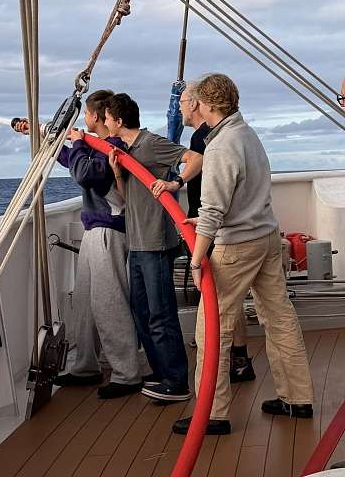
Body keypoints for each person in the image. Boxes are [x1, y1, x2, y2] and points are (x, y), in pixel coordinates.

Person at [173, 74, 314, 437]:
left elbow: (214, 211)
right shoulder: (247, 134)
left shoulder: (220, 146)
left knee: (211, 332)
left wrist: (195, 262)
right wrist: (206, 221)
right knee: (279, 317)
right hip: (266, 237)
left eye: (193, 103)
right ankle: (297, 398)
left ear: (205, 105)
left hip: (236, 247)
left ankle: (213, 414)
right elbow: (236, 198)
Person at [13, 90, 142, 399]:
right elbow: (73, 159)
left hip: (109, 231)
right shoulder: (96, 148)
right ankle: (86, 366)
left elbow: (85, 174)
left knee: (109, 303)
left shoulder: (113, 147)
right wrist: (46, 138)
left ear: (95, 117)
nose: (84, 119)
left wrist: (80, 141)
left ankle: (127, 372)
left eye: (86, 114)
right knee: (84, 301)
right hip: (94, 230)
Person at [105, 93, 203, 402]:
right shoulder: (129, 151)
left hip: (155, 243)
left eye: (107, 118)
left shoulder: (150, 144)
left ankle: (177, 381)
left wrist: (176, 183)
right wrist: (119, 173)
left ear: (119, 122)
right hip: (137, 243)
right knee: (142, 312)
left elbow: (195, 159)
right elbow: (127, 196)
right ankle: (162, 371)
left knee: (161, 314)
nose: (105, 122)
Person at [179, 84, 255, 384]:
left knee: (215, 314)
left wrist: (197, 257)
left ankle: (215, 404)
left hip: (216, 232)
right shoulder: (242, 133)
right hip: (235, 230)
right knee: (238, 305)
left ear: (198, 104)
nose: (180, 108)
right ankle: (240, 359)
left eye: (183, 101)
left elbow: (213, 203)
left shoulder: (209, 141)